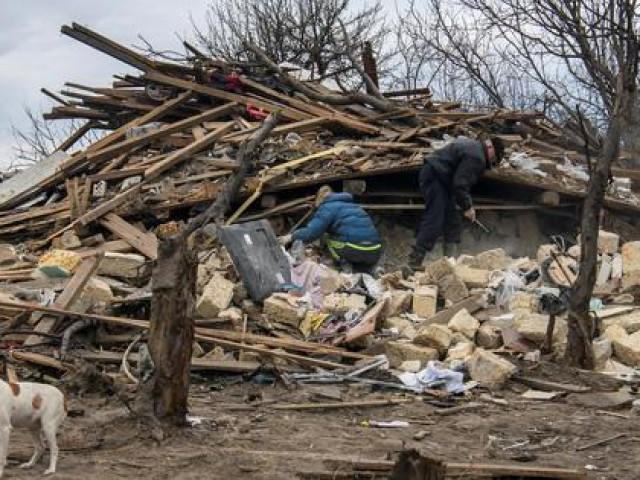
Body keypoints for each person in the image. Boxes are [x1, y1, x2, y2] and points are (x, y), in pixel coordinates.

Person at [407, 136, 504, 269]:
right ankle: (413, 262)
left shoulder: (473, 146)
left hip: (442, 178)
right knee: (435, 218)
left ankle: (450, 262)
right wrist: (468, 207)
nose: (491, 164)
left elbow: (457, 181)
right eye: (494, 161)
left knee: (452, 220)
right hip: (435, 177)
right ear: (493, 152)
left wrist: (464, 204)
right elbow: (460, 184)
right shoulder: (477, 157)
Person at [280, 186, 382, 271]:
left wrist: (291, 236)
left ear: (321, 198)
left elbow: (312, 233)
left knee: (325, 238)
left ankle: (344, 266)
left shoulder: (327, 207)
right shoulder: (355, 206)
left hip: (352, 249)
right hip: (375, 250)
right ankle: (369, 269)